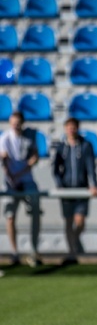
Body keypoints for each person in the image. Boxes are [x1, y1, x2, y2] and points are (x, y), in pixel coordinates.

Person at [52, 117, 97, 264]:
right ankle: (72, 253)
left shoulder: (85, 146)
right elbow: (55, 169)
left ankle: (74, 241)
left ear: (77, 128)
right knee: (68, 221)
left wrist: (94, 184)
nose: (71, 130)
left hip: (81, 189)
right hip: (67, 190)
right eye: (69, 127)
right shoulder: (61, 147)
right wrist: (60, 184)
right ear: (65, 129)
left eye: (73, 127)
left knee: (80, 221)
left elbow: (91, 166)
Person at [0, 112, 41, 266]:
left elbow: (34, 157)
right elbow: (4, 161)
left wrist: (20, 174)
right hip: (11, 183)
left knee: (36, 212)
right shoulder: (5, 138)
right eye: (13, 123)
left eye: (18, 123)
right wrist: (12, 177)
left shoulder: (29, 137)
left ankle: (34, 251)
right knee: (10, 216)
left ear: (22, 123)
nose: (16, 125)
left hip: (27, 181)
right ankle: (14, 252)